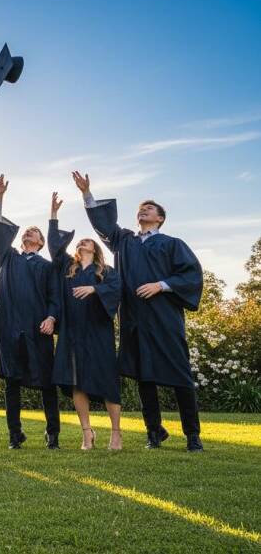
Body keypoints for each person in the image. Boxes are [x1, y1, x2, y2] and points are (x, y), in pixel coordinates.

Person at [73, 171, 204, 451]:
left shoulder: (171, 244)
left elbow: (191, 274)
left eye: (150, 208)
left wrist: (162, 285)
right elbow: (104, 224)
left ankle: (193, 435)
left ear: (160, 218)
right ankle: (154, 433)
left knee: (180, 375)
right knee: (144, 376)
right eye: (141, 208)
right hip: (134, 318)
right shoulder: (125, 241)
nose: (143, 210)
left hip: (164, 316)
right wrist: (87, 194)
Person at [48, 192, 123, 450]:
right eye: (81, 241)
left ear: (95, 248)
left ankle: (116, 432)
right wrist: (54, 216)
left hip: (98, 331)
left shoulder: (106, 271)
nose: (83, 242)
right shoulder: (69, 269)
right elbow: (55, 248)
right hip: (72, 331)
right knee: (76, 380)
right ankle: (87, 433)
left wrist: (95, 290)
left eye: (88, 241)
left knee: (107, 381)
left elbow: (116, 291)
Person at [0, 175, 61, 449]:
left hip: (37, 328)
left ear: (41, 242)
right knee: (12, 382)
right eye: (26, 231)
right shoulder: (9, 258)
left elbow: (55, 296)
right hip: (9, 328)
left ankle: (52, 433)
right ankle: (14, 435)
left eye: (34, 231)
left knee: (46, 383)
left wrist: (52, 317)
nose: (28, 233)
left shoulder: (47, 267)